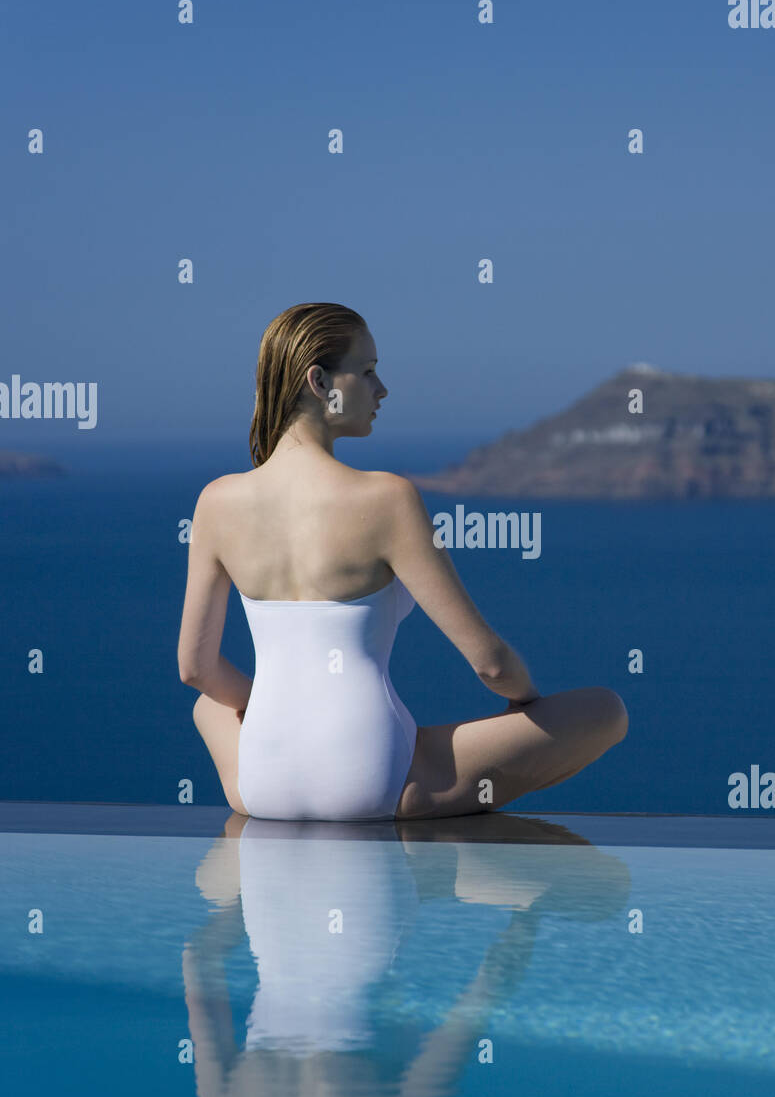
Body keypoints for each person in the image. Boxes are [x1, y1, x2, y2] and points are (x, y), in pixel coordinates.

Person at [177, 302, 628, 820]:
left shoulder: (215, 501)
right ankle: (461, 869)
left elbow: (195, 669)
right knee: (605, 711)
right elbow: (490, 663)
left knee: (209, 705)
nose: (382, 388)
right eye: (367, 371)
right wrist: (527, 703)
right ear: (319, 382)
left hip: (261, 784)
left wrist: (276, 714)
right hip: (373, 781)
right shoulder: (387, 499)